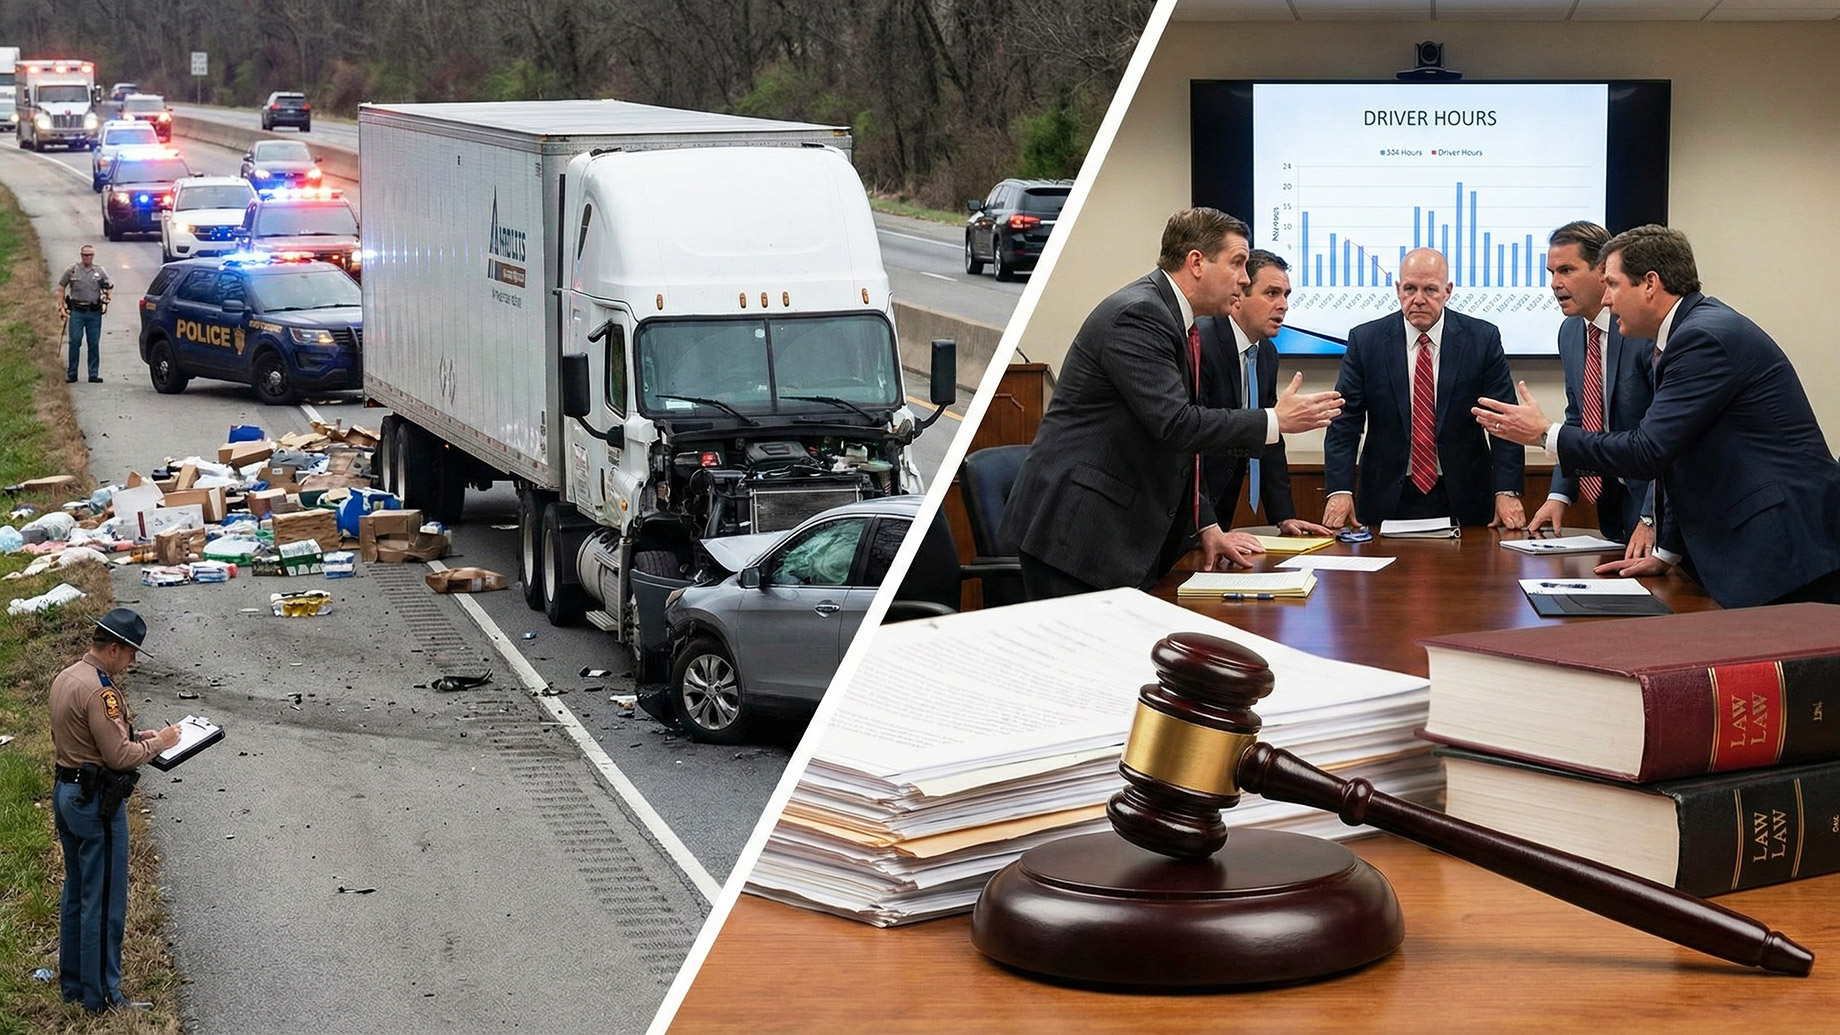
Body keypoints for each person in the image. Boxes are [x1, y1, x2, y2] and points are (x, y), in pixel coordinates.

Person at [1474, 225, 1840, 609]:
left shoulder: (1703, 339)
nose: (1608, 300)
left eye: (1613, 285)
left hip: (1784, 548)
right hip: (1755, 545)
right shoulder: (1687, 332)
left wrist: (1544, 435)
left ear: (1650, 283)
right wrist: (1667, 553)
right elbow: (1676, 453)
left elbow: (1649, 449)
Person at [999, 208, 1343, 600]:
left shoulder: (1178, 322)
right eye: (1237, 264)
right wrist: (1272, 421)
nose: (1244, 278)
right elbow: (1176, 425)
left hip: (1117, 532)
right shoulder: (1140, 314)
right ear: (1196, 262)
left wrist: (1207, 527)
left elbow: (1176, 447)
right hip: (1078, 534)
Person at [1321, 248, 1524, 530]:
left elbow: (1504, 422)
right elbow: (1345, 423)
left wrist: (1507, 491)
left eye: (1430, 289)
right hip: (1385, 496)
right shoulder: (1366, 340)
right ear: (1397, 289)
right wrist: (1340, 490)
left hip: (1464, 496)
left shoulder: (1482, 339)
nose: (1418, 299)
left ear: (1447, 291)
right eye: (1410, 289)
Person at [50, 608, 180, 1014]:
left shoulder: (68, 677)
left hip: (67, 791)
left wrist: (133, 734)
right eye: (131, 653)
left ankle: (74, 985)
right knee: (105, 901)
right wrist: (160, 742)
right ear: (114, 648)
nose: (133, 662)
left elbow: (88, 737)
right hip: (96, 805)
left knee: (77, 894)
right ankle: (104, 996)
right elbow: (120, 757)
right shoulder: (100, 691)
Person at [1525, 222, 1656, 555]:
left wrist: (1652, 515)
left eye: (1567, 270)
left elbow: (1667, 439)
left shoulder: (1642, 331)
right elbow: (1581, 420)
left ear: (1603, 271)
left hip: (1656, 508)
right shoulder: (1570, 333)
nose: (1555, 284)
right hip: (1616, 506)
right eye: (1551, 272)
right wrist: (1559, 494)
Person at [1197, 250, 1333, 536]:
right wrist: (1205, 525)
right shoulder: (1202, 341)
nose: (1283, 305)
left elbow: (1269, 438)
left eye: (1286, 295)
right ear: (1238, 296)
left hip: (1219, 513)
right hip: (1188, 510)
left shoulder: (1266, 353)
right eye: (1271, 293)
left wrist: (1284, 517)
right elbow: (1190, 440)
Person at [56, 245, 113, 384]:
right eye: (85, 255)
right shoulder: (72, 270)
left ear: (93, 256)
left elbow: (109, 287)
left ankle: (93, 373)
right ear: (81, 255)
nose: (87, 258)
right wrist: (61, 306)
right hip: (77, 312)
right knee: (74, 342)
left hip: (93, 312)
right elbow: (61, 287)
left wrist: (106, 301)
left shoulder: (99, 271)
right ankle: (72, 373)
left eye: (90, 255)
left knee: (93, 343)